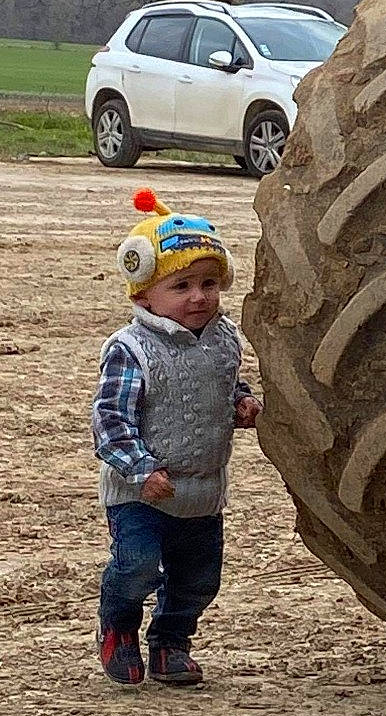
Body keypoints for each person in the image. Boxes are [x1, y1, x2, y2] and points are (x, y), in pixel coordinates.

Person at [91, 190, 261, 686]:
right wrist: (142, 470)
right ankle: (118, 627)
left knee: (198, 579)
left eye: (209, 283)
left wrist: (241, 403)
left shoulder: (224, 338)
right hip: (140, 491)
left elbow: (225, 383)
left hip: (202, 490)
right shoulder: (131, 349)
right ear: (144, 294)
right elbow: (110, 420)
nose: (199, 296)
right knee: (138, 566)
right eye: (181, 285)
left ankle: (170, 642)